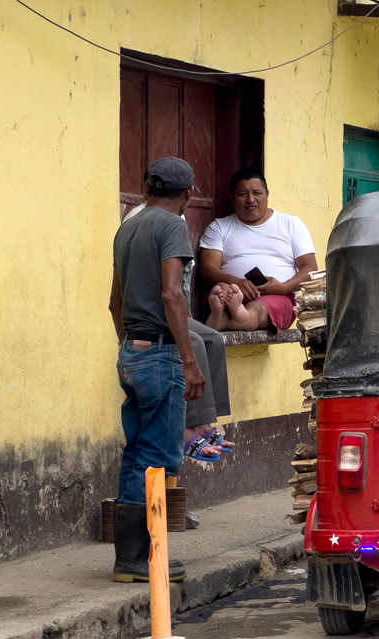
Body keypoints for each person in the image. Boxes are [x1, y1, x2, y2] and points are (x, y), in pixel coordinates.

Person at [109, 157, 206, 583]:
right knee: (159, 460)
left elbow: (114, 302)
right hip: (161, 355)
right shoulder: (172, 226)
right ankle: (145, 557)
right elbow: (172, 295)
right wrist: (188, 359)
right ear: (187, 195)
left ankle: (129, 559)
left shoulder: (127, 226)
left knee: (136, 455)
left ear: (146, 186)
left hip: (132, 352)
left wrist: (129, 348)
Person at [124, 195, 233, 464]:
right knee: (193, 342)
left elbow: (182, 278)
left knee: (211, 339)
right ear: (185, 194)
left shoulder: (177, 220)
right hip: (154, 314)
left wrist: (187, 313)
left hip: (175, 308)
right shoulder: (142, 221)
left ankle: (205, 423)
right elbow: (166, 291)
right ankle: (188, 429)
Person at [199, 168, 317, 332]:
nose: (250, 199)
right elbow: (207, 268)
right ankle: (228, 311)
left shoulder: (291, 224)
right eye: (242, 194)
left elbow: (310, 268)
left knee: (257, 309)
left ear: (267, 194)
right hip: (234, 291)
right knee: (222, 289)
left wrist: (283, 287)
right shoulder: (219, 227)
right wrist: (236, 282)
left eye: (257, 193)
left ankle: (227, 320)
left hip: (278, 297)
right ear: (232, 198)